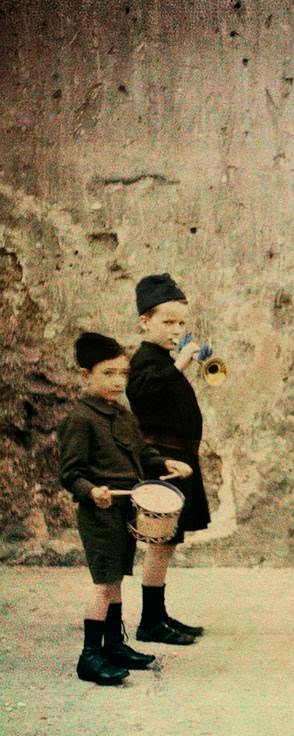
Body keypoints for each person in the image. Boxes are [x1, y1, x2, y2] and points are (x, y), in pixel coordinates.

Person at [58, 332, 192, 684]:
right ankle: (90, 656)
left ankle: (114, 645)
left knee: (116, 580)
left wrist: (165, 462)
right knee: (104, 584)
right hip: (99, 512)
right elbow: (70, 473)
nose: (118, 381)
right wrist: (91, 491)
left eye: (123, 373)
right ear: (86, 375)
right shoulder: (80, 419)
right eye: (108, 373)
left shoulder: (122, 413)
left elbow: (142, 452)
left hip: (124, 509)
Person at [127, 274, 212, 644]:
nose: (176, 330)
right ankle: (149, 622)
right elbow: (141, 394)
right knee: (160, 542)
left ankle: (158, 614)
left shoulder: (160, 359)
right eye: (168, 322)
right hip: (163, 462)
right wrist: (178, 365)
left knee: (169, 542)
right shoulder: (144, 360)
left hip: (180, 459)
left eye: (181, 323)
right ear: (145, 321)